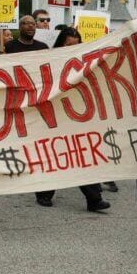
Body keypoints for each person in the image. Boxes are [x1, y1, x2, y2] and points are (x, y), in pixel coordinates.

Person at [31, 26, 111, 212]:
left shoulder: (84, 63)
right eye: (68, 45)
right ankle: (44, 193)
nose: (72, 49)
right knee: (55, 153)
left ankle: (94, 198)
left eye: (76, 45)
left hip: (76, 112)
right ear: (60, 44)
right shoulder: (50, 60)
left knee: (81, 153)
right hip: (54, 112)